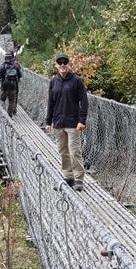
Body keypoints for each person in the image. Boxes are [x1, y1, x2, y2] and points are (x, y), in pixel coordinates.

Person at [44, 53, 88, 191]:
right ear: (56, 65)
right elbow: (51, 102)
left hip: (73, 123)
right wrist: (48, 121)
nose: (62, 65)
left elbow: (84, 101)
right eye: (60, 63)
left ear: (68, 65)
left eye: (65, 63)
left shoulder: (76, 80)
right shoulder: (53, 81)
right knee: (63, 151)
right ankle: (68, 177)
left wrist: (82, 120)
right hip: (58, 123)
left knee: (75, 151)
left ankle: (79, 179)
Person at [0, 51, 23, 117]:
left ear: (5, 58)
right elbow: (20, 75)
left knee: (2, 99)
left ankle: (3, 113)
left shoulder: (2, 66)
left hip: (4, 87)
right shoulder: (15, 66)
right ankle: (10, 114)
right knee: (11, 101)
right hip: (13, 87)